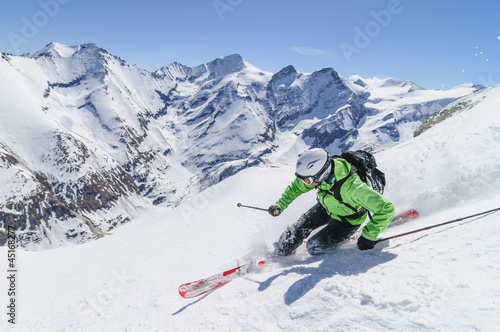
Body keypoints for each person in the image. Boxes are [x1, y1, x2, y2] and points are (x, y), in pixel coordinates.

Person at [268, 148, 395, 256]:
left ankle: (344, 238)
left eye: (307, 180)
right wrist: (280, 205)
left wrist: (368, 236)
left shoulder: (353, 187)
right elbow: (296, 188)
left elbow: (386, 208)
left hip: (347, 221)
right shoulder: (315, 176)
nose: (304, 182)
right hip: (326, 207)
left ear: (322, 174)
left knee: (313, 247)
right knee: (295, 231)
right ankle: (279, 252)